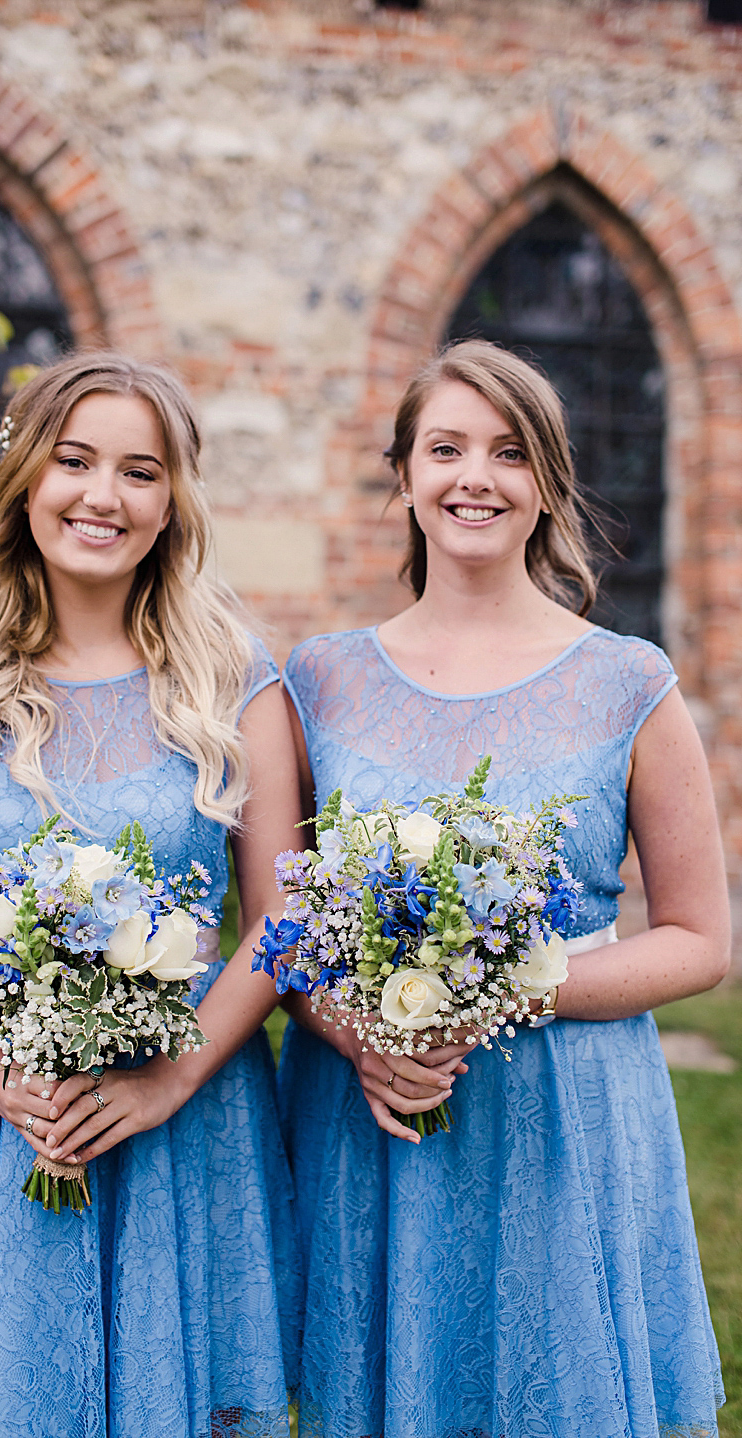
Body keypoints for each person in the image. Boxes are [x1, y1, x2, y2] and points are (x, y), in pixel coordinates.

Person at [278, 339, 728, 1438]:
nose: (475, 476)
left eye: (509, 452)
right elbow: (279, 932)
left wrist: (514, 984)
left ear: (547, 488)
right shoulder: (317, 680)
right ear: (404, 476)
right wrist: (352, 1033)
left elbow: (700, 939)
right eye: (446, 448)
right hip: (377, 1119)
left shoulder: (631, 682)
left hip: (565, 1120)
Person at [0, 352, 301, 1438]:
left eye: (139, 471)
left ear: (170, 504)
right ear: (27, 484)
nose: (104, 495)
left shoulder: (238, 683)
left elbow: (285, 920)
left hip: (184, 1124)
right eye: (76, 460)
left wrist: (166, 1079)